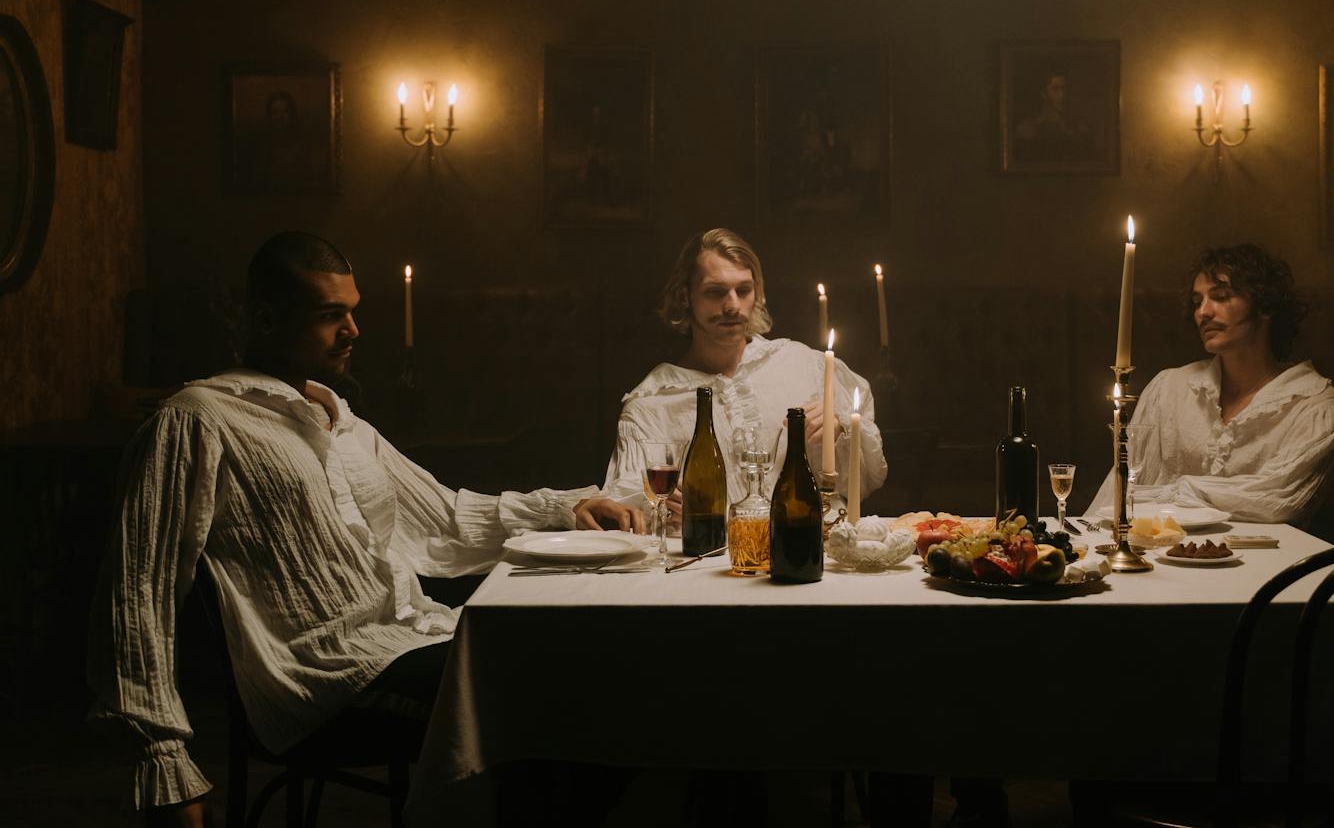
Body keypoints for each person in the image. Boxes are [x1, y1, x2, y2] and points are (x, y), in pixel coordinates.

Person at [87, 232, 640, 827]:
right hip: (325, 683)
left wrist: (568, 507)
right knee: (546, 702)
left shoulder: (339, 418)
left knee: (587, 669)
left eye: (352, 312)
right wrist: (162, 760)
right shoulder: (197, 420)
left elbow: (446, 517)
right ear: (267, 319)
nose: (353, 330)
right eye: (331, 316)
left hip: (410, 638)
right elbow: (136, 594)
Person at [603, 227, 888, 526]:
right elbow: (623, 504)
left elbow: (867, 479)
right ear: (685, 296)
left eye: (743, 290)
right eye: (715, 292)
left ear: (757, 293)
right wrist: (653, 504)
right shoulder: (652, 404)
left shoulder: (805, 366)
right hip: (711, 553)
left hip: (812, 546)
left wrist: (841, 429)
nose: (732, 306)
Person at [1084, 244, 1334, 525]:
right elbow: (1120, 489)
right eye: (1197, 301)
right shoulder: (1170, 388)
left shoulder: (1312, 404)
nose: (1203, 312)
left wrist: (1177, 492)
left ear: (1265, 306)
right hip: (1161, 548)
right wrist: (1083, 537)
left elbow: (1277, 500)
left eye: (1221, 297)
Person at [1014, 71, 1096, 167]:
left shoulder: (1079, 125)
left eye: (1064, 88)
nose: (1062, 95)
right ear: (1044, 94)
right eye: (1055, 89)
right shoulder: (1028, 127)